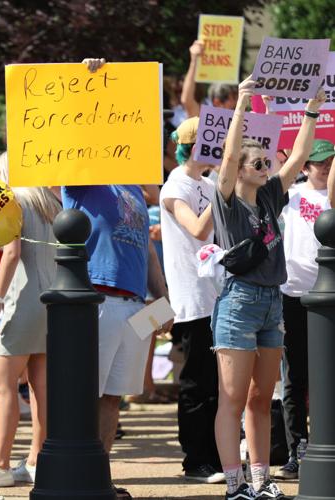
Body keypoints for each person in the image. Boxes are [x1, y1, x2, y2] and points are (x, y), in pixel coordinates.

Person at [210, 77, 324, 500]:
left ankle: (261, 480)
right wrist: (241, 103)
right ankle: (235, 484)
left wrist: (311, 110)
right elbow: (226, 155)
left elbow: (297, 157)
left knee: (262, 398)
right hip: (238, 301)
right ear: (239, 170)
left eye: (265, 163)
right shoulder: (227, 202)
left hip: (271, 302)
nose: (266, 168)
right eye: (257, 164)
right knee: (233, 398)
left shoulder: (272, 199)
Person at [63, 59, 172, 500]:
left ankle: (100, 478)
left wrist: (163, 300)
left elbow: (142, 245)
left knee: (114, 398)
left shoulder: (132, 186)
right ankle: (78, 475)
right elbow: (71, 136)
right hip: (99, 300)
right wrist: (90, 82)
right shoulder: (83, 182)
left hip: (134, 303)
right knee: (89, 394)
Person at [0, 181, 61, 488]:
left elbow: (11, 252)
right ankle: (36, 459)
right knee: (39, 385)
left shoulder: (14, 200)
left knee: (1, 383)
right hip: (51, 298)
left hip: (22, 299)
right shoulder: (53, 202)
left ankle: (0, 464)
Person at [159, 117, 224, 483]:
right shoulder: (176, 186)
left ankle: (216, 457)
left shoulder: (208, 182)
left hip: (217, 295)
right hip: (192, 298)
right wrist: (221, 192)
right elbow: (198, 229)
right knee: (197, 381)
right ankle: (195, 460)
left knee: (218, 383)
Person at [274, 139, 334, 480]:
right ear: (305, 165)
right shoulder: (292, 195)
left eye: (329, 161)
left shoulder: (334, 196)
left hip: (329, 296)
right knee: (294, 377)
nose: (324, 167)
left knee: (327, 375)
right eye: (318, 161)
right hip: (293, 294)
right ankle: (297, 448)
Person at [180, 40, 237, 118]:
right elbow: (187, 100)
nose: (236, 108)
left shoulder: (238, 119)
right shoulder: (202, 116)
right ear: (217, 102)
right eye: (232, 107)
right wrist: (194, 61)